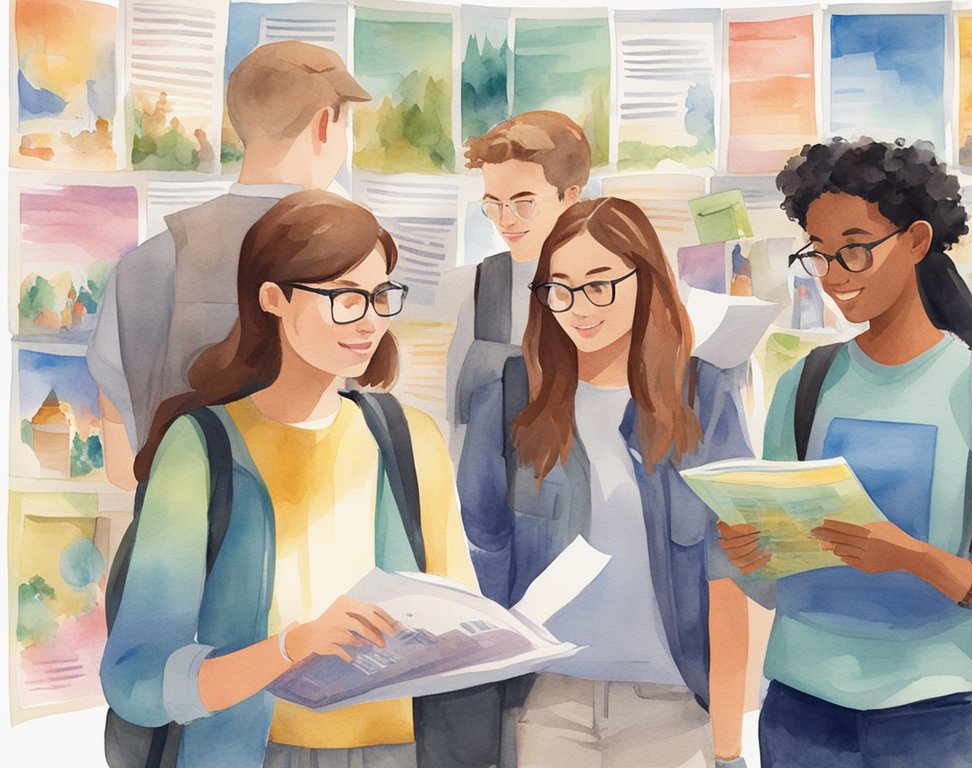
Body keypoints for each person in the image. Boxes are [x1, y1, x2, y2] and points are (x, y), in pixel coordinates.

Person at [100, 191, 478, 768]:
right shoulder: (202, 445)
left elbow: (461, 623)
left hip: (398, 752)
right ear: (272, 299)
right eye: (347, 299)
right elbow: (136, 678)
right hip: (251, 753)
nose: (372, 320)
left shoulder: (411, 438)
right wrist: (290, 648)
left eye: (381, 296)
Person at [718, 137, 972, 767]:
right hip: (801, 708)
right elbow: (774, 584)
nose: (834, 275)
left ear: (918, 242)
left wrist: (912, 557)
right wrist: (750, 555)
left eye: (856, 250)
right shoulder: (805, 384)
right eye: (820, 254)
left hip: (938, 714)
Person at [457, 197, 753, 766]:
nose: (577, 308)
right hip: (548, 701)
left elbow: (729, 576)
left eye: (600, 285)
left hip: (674, 705)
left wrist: (728, 745)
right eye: (559, 288)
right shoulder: (508, 399)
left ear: (646, 281)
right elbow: (478, 557)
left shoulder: (703, 397)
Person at [89, 41, 370, 492]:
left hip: (174, 529)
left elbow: (123, 470)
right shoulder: (357, 268)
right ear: (323, 126)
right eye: (343, 124)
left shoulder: (142, 265)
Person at [445, 111, 589, 462]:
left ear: (570, 196)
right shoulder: (483, 289)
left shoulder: (607, 285)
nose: (505, 220)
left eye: (524, 203)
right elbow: (459, 421)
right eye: (493, 205)